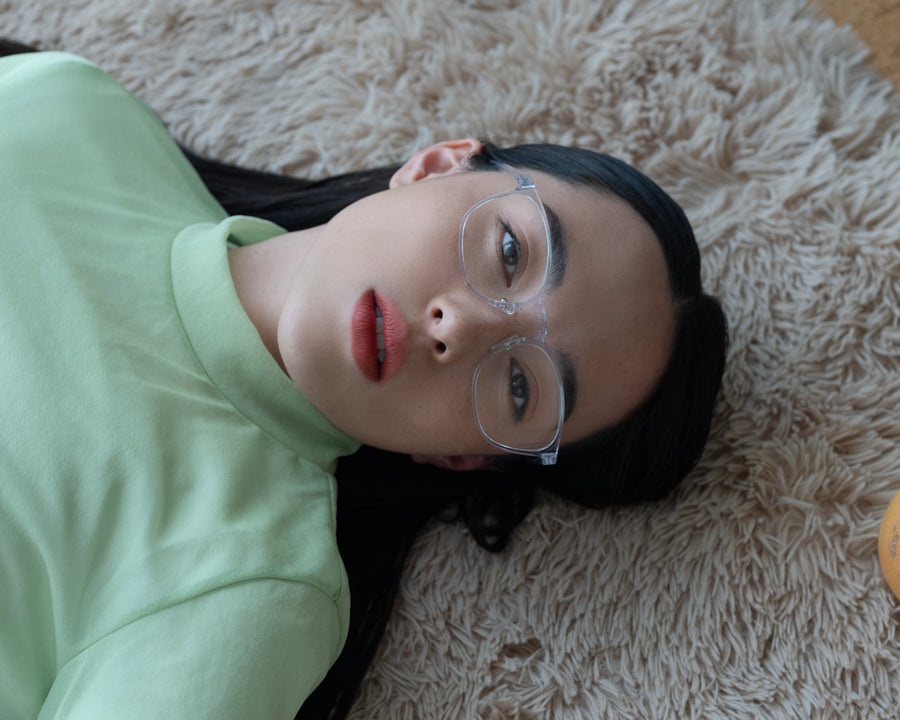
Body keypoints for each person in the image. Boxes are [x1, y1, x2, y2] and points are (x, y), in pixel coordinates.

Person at [0, 45, 727, 720]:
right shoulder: (68, 107)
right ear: (438, 165)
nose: (460, 326)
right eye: (510, 252)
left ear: (463, 457)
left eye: (520, 389)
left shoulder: (253, 592)